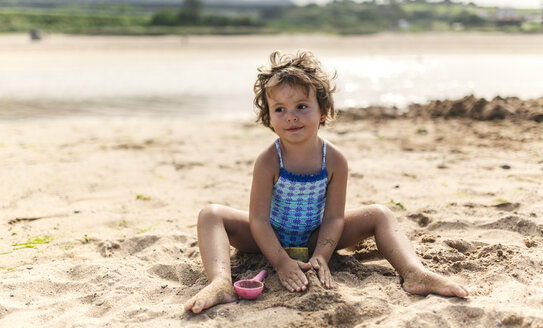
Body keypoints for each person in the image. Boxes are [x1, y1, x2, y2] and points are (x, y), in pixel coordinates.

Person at [184, 50, 469, 314]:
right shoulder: (269, 160)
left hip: (315, 235)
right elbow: (258, 220)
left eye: (301, 106)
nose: (291, 116)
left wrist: (322, 253)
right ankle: (220, 282)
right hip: (267, 238)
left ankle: (414, 273)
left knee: (381, 214)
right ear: (269, 117)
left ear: (322, 111)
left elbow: (333, 217)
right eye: (279, 109)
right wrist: (281, 262)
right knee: (210, 214)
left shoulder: (334, 160)